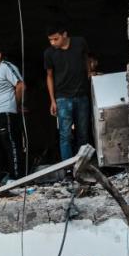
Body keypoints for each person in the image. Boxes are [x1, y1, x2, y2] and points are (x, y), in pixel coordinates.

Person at [44, 24, 92, 161]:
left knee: (83, 133)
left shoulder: (80, 42)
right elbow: (49, 76)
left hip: (82, 95)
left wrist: (89, 73)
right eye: (50, 40)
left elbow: (86, 58)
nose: (53, 43)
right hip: (62, 98)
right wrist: (52, 100)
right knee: (65, 134)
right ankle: (68, 169)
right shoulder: (49, 53)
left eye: (55, 39)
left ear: (64, 35)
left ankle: (83, 166)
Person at [0, 46, 26, 180]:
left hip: (6, 112)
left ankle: (16, 178)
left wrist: (17, 105)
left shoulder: (6, 66)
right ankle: (5, 176)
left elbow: (20, 85)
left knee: (11, 146)